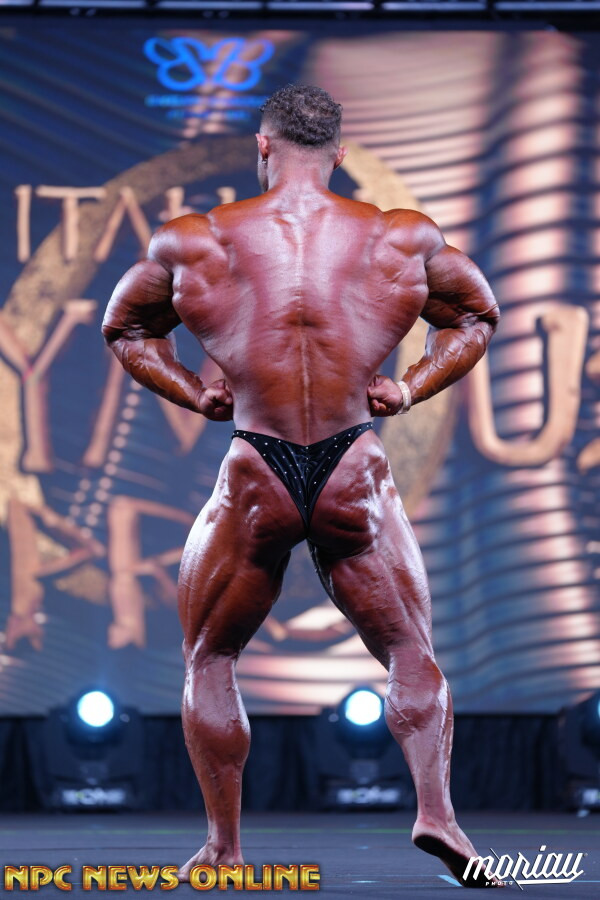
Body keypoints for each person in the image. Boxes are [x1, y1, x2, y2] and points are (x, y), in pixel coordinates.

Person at [102, 84, 500, 887]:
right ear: (339, 155)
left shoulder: (196, 239)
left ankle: (225, 848)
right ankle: (437, 814)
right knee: (408, 650)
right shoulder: (399, 236)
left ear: (263, 145)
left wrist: (196, 393)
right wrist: (410, 387)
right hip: (353, 461)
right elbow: (477, 316)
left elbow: (124, 327)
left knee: (211, 656)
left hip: (258, 464)